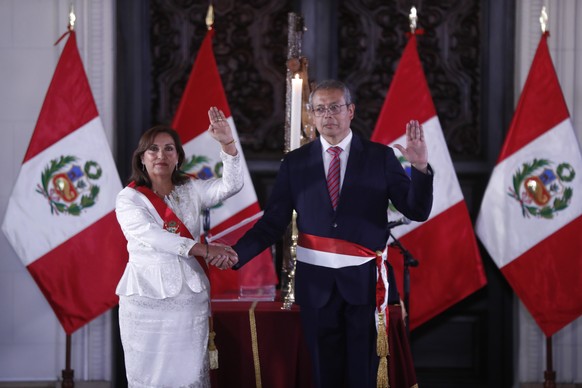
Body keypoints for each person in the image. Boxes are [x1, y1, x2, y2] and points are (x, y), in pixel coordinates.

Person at [232, 80, 433, 388]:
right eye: (320, 109)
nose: (329, 115)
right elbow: (274, 222)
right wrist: (237, 252)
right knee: (323, 374)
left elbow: (416, 210)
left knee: (362, 374)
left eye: (335, 107)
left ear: (350, 111)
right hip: (316, 287)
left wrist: (419, 168)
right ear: (311, 115)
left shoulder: (380, 158)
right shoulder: (295, 163)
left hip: (364, 285)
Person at [114, 107, 241, 388]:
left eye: (169, 149)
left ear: (178, 157)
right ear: (142, 158)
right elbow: (152, 236)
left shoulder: (191, 188)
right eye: (153, 150)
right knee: (148, 378)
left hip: (188, 296)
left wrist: (227, 143)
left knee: (187, 376)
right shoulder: (129, 198)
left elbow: (231, 186)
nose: (161, 155)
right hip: (145, 299)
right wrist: (206, 250)